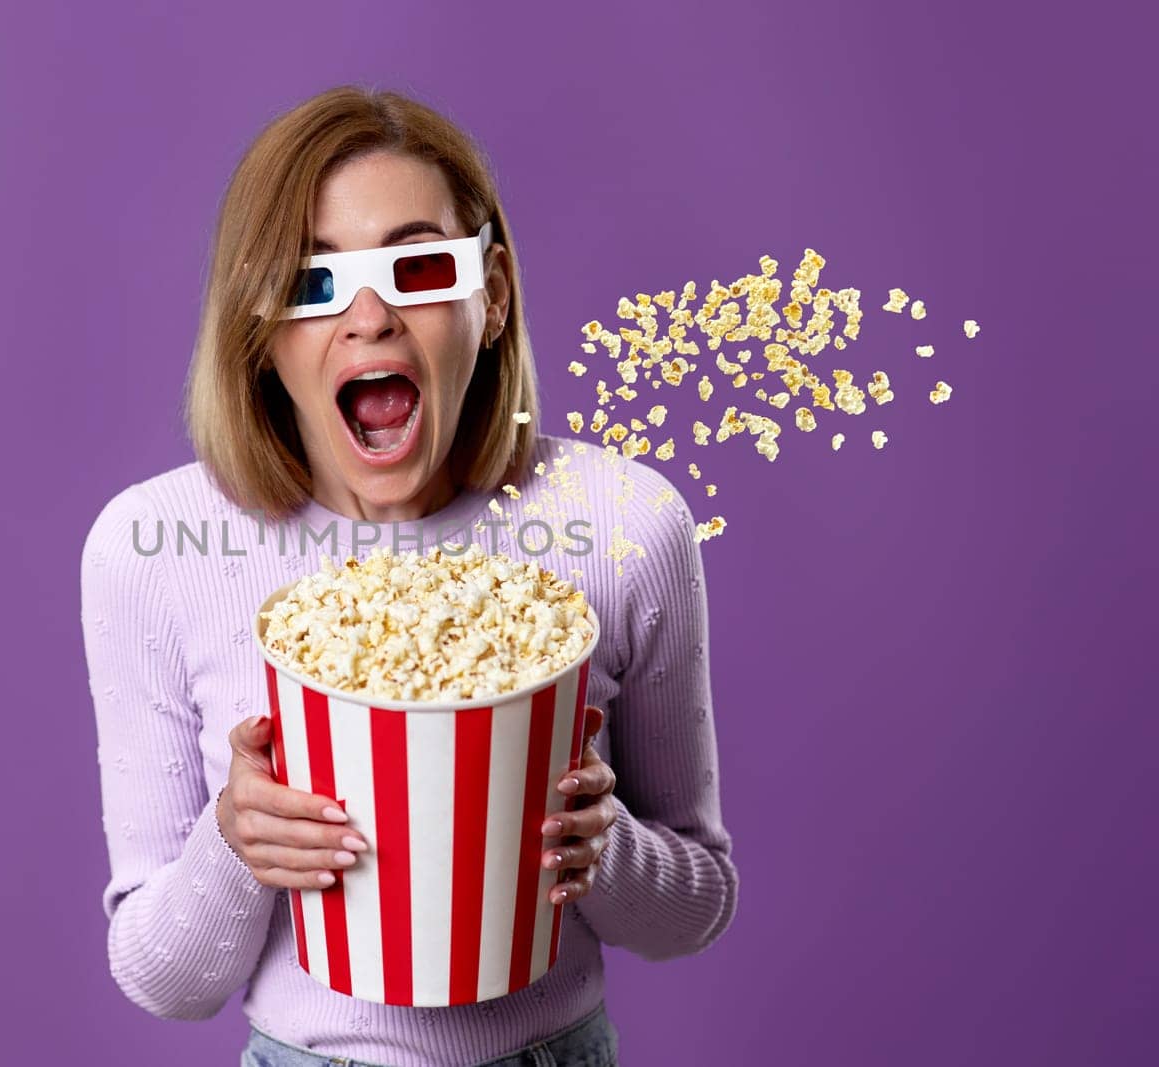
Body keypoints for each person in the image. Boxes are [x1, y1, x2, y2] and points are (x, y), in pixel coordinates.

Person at [80, 85, 738, 1067]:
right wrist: (236, 847)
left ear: (494, 294)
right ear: (259, 330)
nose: (371, 316)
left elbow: (694, 907)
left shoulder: (622, 526)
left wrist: (603, 847)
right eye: (314, 283)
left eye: (419, 266)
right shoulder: (154, 545)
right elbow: (159, 976)